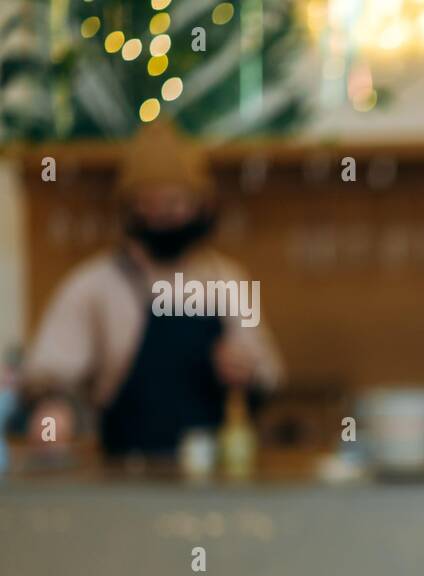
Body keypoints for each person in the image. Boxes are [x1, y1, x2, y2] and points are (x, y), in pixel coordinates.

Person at [18, 118, 284, 457]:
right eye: (151, 204)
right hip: (121, 471)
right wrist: (53, 407)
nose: (163, 216)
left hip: (213, 468)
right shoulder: (95, 284)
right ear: (131, 208)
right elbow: (48, 371)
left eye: (175, 204)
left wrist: (248, 371)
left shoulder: (227, 280)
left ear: (203, 207)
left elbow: (268, 372)